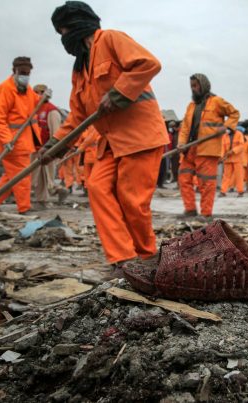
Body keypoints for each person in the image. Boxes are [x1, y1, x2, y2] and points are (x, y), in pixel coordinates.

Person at [43, 1, 169, 267]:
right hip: (110, 142)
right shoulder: (79, 69)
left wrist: (118, 93)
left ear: (76, 25)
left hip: (140, 136)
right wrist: (54, 144)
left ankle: (146, 256)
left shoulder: (110, 39)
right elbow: (77, 115)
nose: (63, 39)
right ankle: (123, 257)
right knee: (97, 187)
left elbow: (148, 63)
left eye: (63, 31)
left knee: (132, 200)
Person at [177, 73, 240, 218]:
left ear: (203, 85)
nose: (193, 89)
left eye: (196, 85)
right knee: (184, 178)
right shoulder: (191, 106)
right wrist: (181, 143)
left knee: (206, 182)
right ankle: (190, 209)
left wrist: (226, 127)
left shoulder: (216, 102)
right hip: (190, 149)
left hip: (208, 149)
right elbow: (185, 127)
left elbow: (234, 113)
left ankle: (206, 213)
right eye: (191, 86)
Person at [0, 56, 41, 214]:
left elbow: (34, 102)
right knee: (22, 175)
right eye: (22, 73)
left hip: (23, 141)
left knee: (12, 175)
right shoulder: (5, 89)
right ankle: (24, 207)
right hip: (13, 141)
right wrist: (6, 140)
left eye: (28, 73)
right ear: (14, 71)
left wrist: (44, 99)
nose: (25, 76)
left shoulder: (26, 88)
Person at [31, 84, 69, 209]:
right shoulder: (35, 109)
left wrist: (52, 150)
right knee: (38, 177)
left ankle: (43, 200)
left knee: (45, 177)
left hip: (46, 150)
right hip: (35, 149)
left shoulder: (52, 111)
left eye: (37, 93)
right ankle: (53, 192)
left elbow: (56, 133)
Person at [219, 125, 245, 197]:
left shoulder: (239, 134)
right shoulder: (224, 136)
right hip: (228, 159)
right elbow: (222, 148)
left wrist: (233, 151)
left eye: (228, 129)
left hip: (237, 159)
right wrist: (221, 157)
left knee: (239, 176)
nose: (227, 130)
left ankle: (240, 191)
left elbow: (241, 146)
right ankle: (223, 191)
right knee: (226, 176)